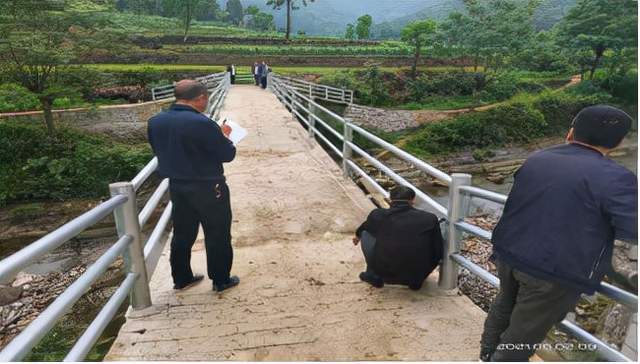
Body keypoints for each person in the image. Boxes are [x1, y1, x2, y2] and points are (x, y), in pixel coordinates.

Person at [479, 105, 637, 361]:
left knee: (504, 306)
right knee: (522, 335)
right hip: (553, 270)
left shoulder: (538, 158)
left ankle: (486, 354)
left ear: (571, 132)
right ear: (619, 142)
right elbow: (632, 229)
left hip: (509, 252)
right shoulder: (617, 178)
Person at [147, 80, 240, 293]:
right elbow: (227, 154)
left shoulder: (156, 121)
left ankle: (182, 278)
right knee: (217, 233)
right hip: (209, 186)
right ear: (200, 98)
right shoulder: (202, 123)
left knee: (183, 233)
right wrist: (224, 135)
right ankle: (220, 279)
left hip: (177, 186)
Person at [353, 185, 444, 290]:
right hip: (418, 273)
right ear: (413, 200)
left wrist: (357, 235)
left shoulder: (378, 214)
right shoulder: (429, 218)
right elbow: (438, 249)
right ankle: (415, 281)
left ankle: (374, 275)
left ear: (390, 199)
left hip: (385, 273)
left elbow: (364, 228)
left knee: (366, 233)